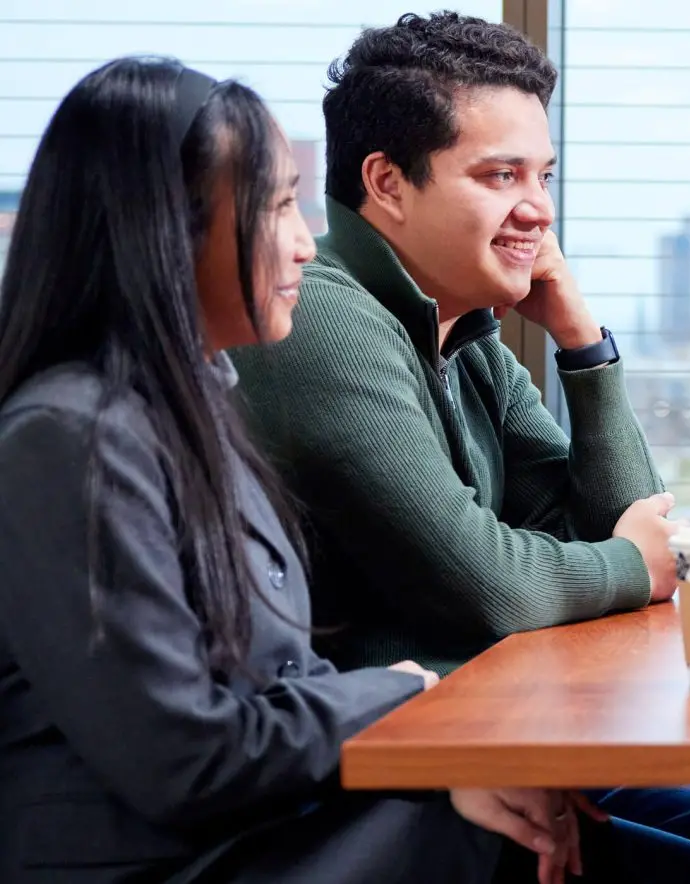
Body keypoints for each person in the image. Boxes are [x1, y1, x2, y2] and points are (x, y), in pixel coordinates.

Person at [227, 13, 690, 884]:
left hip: (491, 728)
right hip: (378, 763)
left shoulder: (465, 333)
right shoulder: (325, 320)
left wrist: (582, 345)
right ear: (387, 183)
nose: (537, 208)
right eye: (500, 176)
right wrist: (627, 562)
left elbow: (615, 523)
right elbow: (495, 583)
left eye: (543, 175)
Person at [0, 57, 594, 884]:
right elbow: (185, 758)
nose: (302, 242)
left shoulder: (197, 411)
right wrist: (402, 696)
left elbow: (285, 681)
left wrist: (438, 764)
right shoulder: (70, 441)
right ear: (165, 228)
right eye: (275, 205)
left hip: (261, 827)